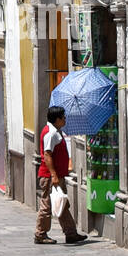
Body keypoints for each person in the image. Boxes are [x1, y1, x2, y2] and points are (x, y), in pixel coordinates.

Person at [36, 104, 88, 245]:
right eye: (63, 117)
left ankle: (70, 233)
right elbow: (47, 155)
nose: (65, 119)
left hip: (56, 175)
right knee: (47, 205)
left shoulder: (55, 131)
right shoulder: (51, 133)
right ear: (57, 119)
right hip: (49, 176)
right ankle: (40, 234)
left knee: (62, 204)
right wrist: (53, 175)